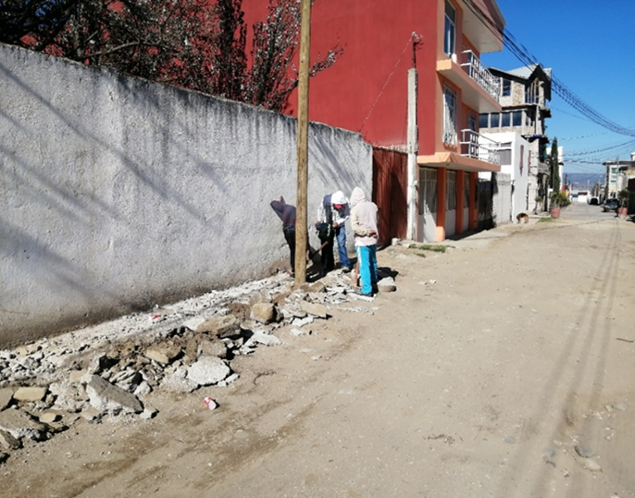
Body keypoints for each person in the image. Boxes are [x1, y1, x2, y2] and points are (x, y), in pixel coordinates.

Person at [349, 187, 378, 296]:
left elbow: (355, 227)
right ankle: (374, 282)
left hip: (362, 241)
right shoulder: (373, 206)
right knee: (373, 261)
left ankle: (366, 290)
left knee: (364, 265)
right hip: (374, 239)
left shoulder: (355, 209)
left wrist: (366, 232)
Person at [316, 190, 351, 274]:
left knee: (341, 243)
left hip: (339, 225)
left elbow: (347, 215)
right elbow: (320, 209)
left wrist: (338, 222)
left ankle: (345, 264)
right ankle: (329, 265)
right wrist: (319, 220)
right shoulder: (326, 200)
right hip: (327, 224)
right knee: (328, 245)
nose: (339, 207)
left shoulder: (346, 203)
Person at [270, 196, 296, 276]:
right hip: (294, 229)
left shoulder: (285, 207)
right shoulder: (295, 210)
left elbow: (272, 203)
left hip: (287, 230)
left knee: (293, 249)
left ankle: (294, 268)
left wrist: (280, 203)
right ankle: (296, 268)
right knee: (296, 249)